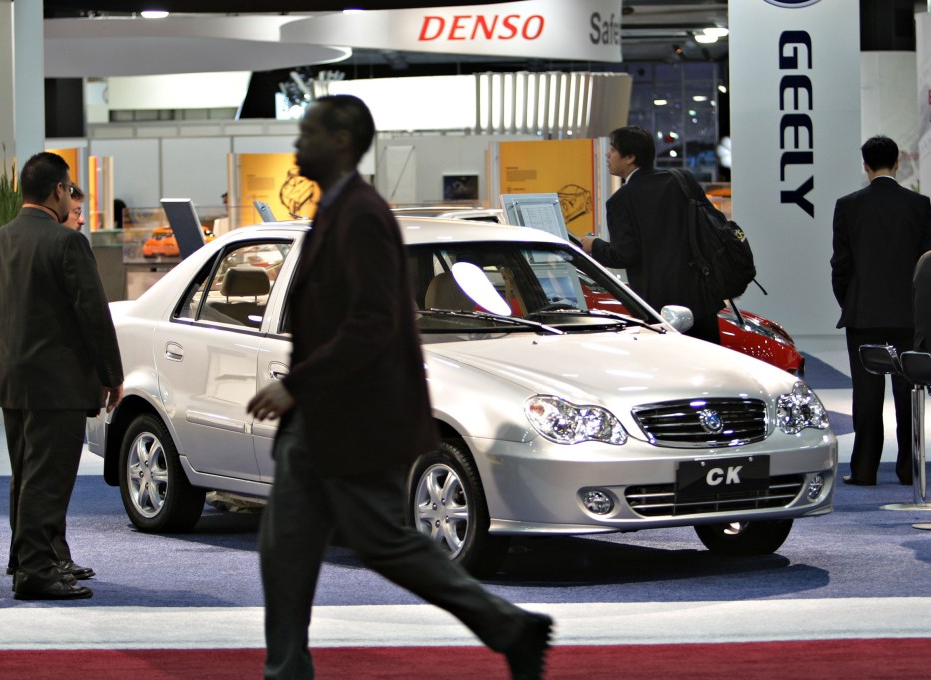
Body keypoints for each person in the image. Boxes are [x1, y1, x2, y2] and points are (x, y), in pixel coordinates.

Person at [246, 95, 552, 680]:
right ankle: (285, 671)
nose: (297, 143)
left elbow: (373, 322)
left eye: (308, 132)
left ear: (341, 141)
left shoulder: (360, 215)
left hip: (352, 418)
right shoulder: (337, 210)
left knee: (382, 543)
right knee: (286, 549)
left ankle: (510, 626)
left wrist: (297, 384)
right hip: (323, 418)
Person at [0, 152, 124, 600]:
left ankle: (33, 557)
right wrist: (111, 374)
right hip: (57, 382)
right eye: (68, 189)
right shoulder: (67, 243)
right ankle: (37, 571)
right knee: (48, 477)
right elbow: (93, 315)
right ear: (58, 190)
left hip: (11, 377)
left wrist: (10, 353)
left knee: (26, 472)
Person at [831, 135, 931, 486]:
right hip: (908, 315)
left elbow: (841, 266)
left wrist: (850, 302)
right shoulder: (920, 205)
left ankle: (864, 469)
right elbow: (926, 266)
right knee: (909, 392)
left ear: (865, 165)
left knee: (867, 395)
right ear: (898, 163)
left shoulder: (848, 205)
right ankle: (909, 469)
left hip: (864, 314)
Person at [580, 125, 724, 343]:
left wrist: (594, 245)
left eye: (613, 149)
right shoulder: (681, 180)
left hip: (661, 307)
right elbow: (712, 224)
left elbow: (623, 255)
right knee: (707, 359)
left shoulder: (621, 200)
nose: (608, 155)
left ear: (630, 157)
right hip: (701, 297)